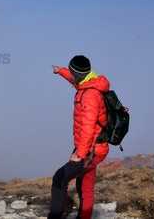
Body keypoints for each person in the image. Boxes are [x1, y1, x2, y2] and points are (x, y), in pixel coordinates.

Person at [48, 55, 110, 219]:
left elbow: (89, 128)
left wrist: (80, 155)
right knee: (85, 185)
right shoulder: (89, 81)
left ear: (78, 76)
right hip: (96, 146)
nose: (71, 76)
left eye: (71, 72)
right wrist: (60, 71)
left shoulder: (89, 96)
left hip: (91, 150)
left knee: (60, 178)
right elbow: (73, 77)